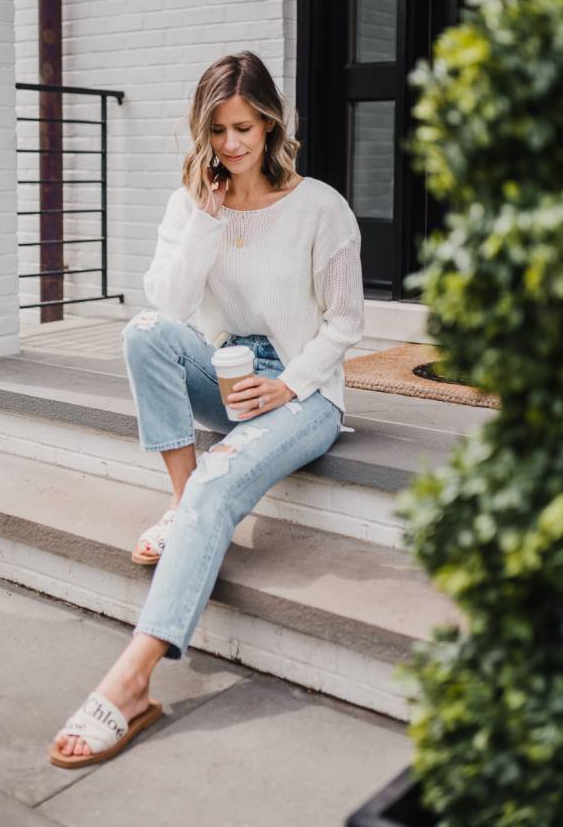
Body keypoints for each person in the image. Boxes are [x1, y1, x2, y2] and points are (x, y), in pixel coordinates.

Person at [49, 51, 364, 766]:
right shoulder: (192, 203)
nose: (230, 144)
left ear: (270, 124)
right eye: (217, 130)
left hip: (305, 395)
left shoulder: (320, 207)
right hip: (228, 381)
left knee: (219, 482)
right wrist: (206, 217)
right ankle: (180, 500)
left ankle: (131, 682)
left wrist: (289, 385)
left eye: (244, 128)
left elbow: (346, 323)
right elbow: (169, 305)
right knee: (144, 333)